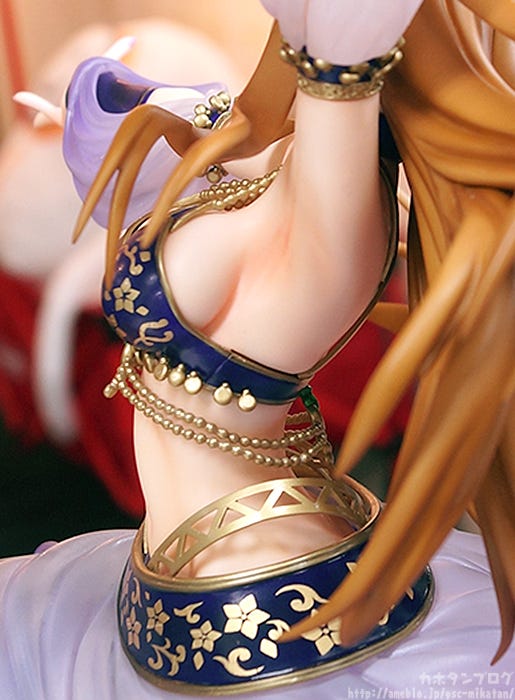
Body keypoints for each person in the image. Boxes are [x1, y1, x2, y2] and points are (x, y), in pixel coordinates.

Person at [0, 1, 513, 696]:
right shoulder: (273, 150)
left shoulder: (328, 209)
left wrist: (338, 62)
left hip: (263, 588)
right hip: (173, 566)